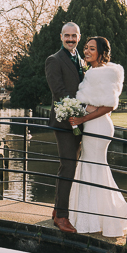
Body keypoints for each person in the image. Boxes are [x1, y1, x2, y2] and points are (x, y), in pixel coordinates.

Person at [68, 36, 127, 237]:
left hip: (97, 126)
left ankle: (100, 217)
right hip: (95, 123)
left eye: (92, 48)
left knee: (94, 166)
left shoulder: (103, 73)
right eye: (86, 48)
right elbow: (97, 103)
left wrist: (83, 119)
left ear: (102, 52)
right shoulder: (94, 72)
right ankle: (92, 216)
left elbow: (108, 106)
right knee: (91, 165)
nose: (87, 51)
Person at [45, 22, 85, 233]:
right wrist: (75, 113)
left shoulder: (82, 59)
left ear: (79, 37)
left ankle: (56, 210)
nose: (70, 39)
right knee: (68, 166)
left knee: (72, 166)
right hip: (64, 122)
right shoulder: (54, 60)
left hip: (80, 122)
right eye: (67, 36)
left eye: (74, 36)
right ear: (61, 37)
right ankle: (61, 217)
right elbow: (59, 91)